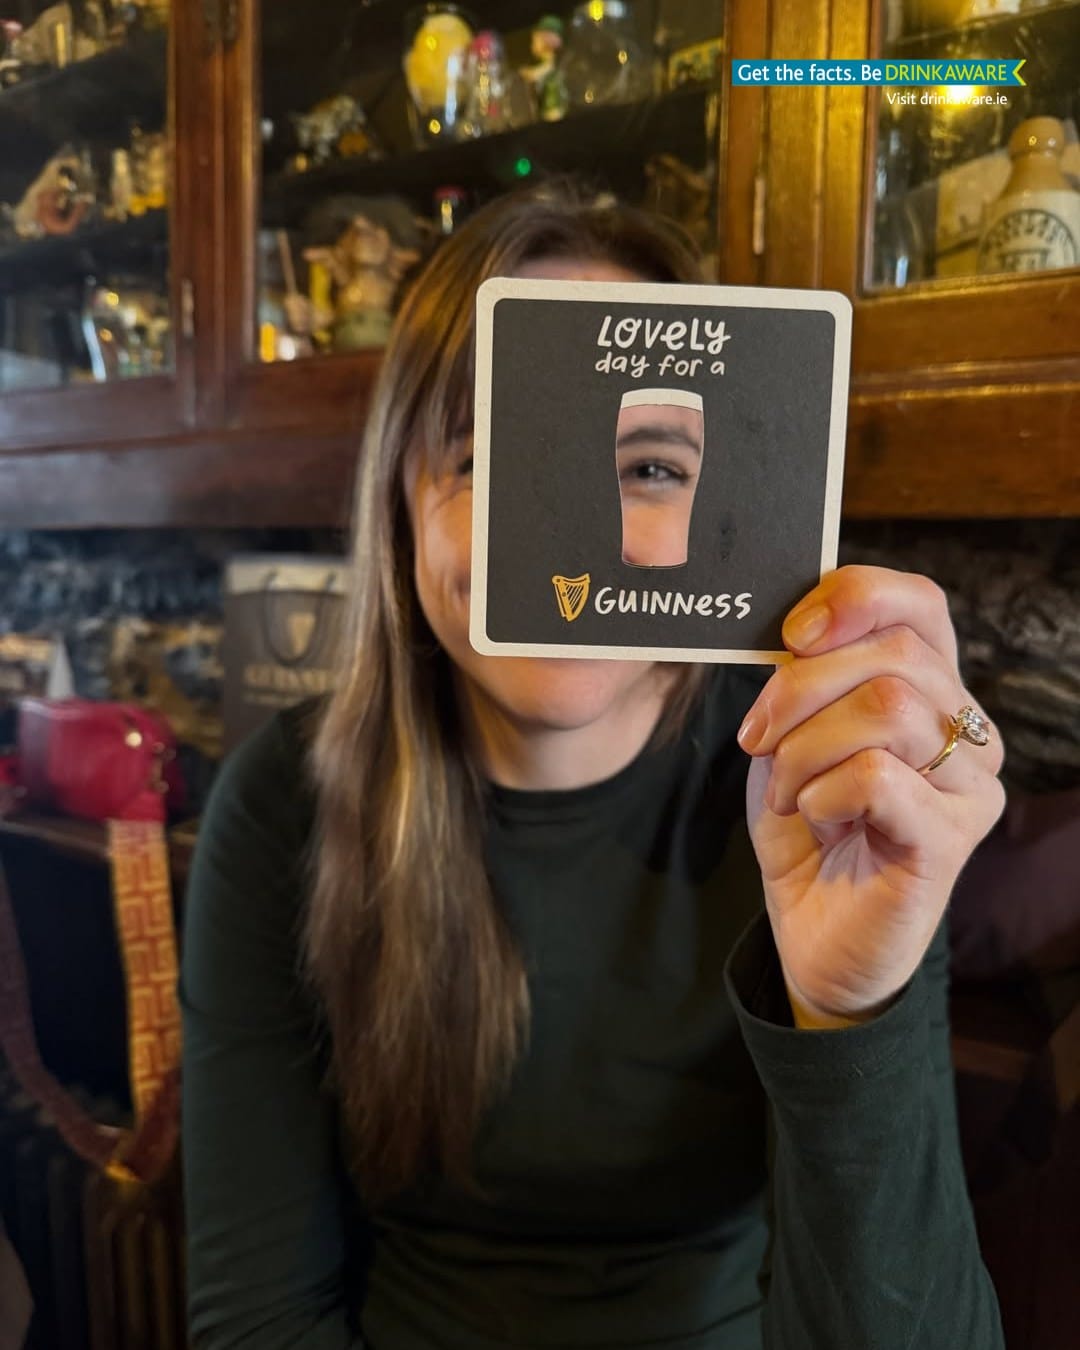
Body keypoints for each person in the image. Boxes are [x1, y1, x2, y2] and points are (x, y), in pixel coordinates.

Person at [180, 182, 1007, 1349]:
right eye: (485, 458)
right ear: (401, 507)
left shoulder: (821, 796)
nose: (575, 535)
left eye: (651, 467)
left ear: (727, 503)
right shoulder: (286, 800)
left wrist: (851, 1017)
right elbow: (258, 1320)